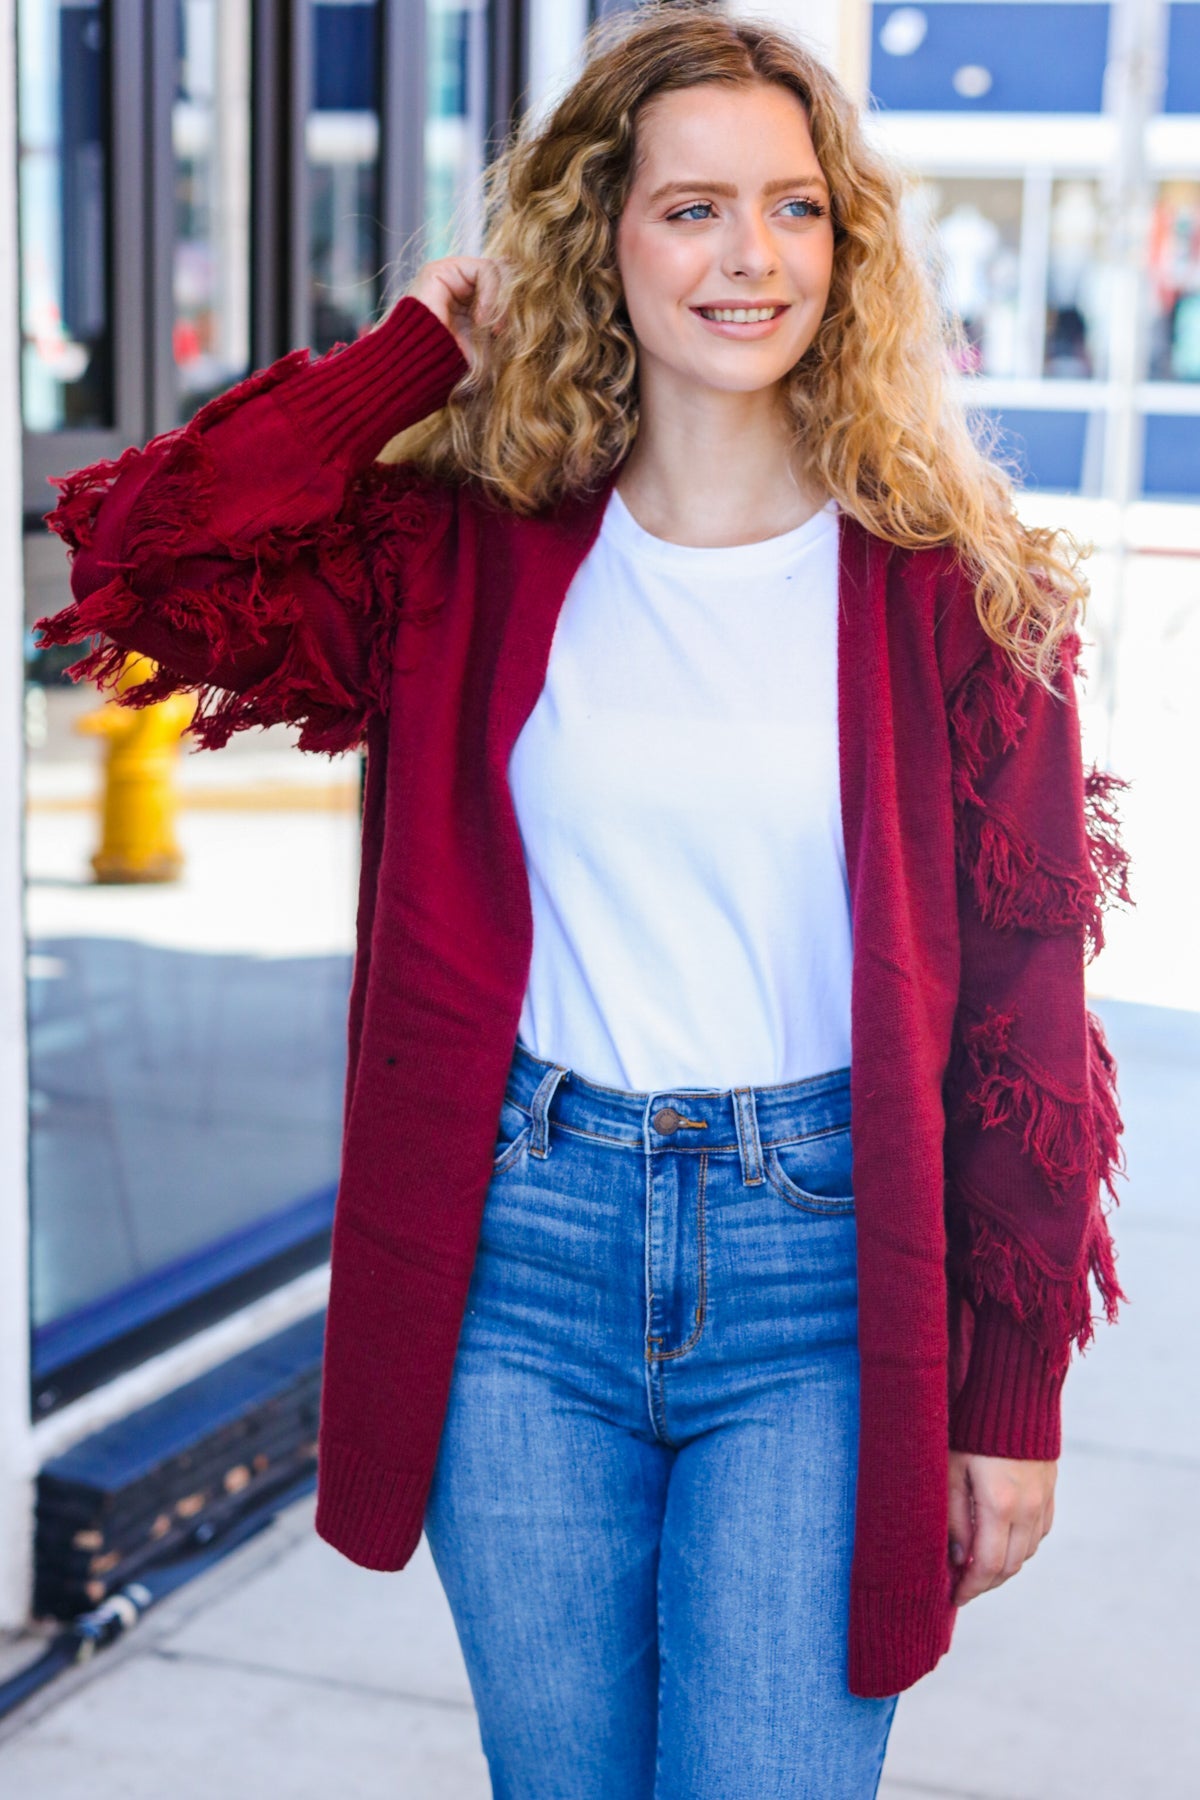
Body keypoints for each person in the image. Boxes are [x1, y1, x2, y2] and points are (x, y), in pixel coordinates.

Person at [35, 6, 1133, 1795]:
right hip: (517, 1267)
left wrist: (1012, 1398)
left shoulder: (959, 594)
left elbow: (1023, 1007)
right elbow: (136, 559)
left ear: (846, 248)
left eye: (793, 208)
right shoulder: (461, 551)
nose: (748, 257)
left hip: (823, 1279)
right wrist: (406, 361)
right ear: (598, 235)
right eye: (690, 208)